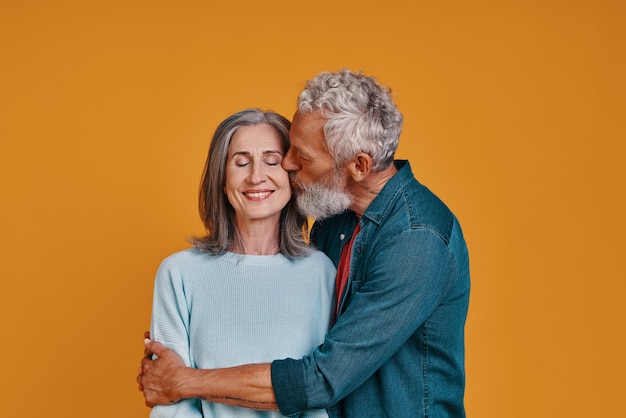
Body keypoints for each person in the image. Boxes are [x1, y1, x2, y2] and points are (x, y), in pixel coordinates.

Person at [138, 70, 471, 418]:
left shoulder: (417, 240)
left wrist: (184, 381)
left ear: (358, 165)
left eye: (301, 155)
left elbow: (321, 380)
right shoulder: (334, 223)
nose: (287, 163)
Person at [145, 108, 336, 417]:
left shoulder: (322, 273)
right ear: (222, 179)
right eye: (241, 162)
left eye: (272, 161)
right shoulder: (178, 273)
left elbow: (321, 394)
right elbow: (170, 399)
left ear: (293, 176)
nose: (256, 176)